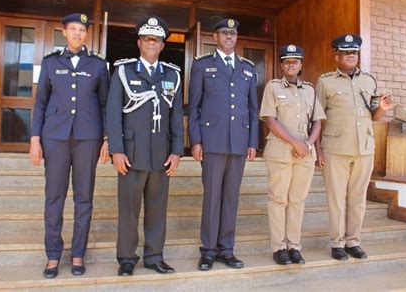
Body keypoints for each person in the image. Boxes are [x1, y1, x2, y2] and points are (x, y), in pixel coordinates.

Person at [30, 13, 110, 278]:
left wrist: (107, 140)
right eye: (73, 29)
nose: (78, 33)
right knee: (54, 196)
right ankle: (53, 255)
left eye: (82, 30)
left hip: (88, 137)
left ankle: (78, 254)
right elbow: (40, 102)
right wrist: (35, 139)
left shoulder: (98, 65)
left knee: (84, 197)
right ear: (63, 32)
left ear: (87, 34)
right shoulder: (51, 62)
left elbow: (105, 104)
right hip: (55, 137)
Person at [106, 15, 183, 276]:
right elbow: (113, 113)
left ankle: (154, 256)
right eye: (148, 38)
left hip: (161, 155)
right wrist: (116, 149)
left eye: (157, 40)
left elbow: (175, 117)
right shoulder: (124, 71)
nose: (152, 43)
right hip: (131, 153)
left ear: (162, 45)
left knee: (157, 209)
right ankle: (127, 258)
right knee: (128, 210)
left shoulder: (172, 75)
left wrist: (176, 151)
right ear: (139, 42)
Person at [188, 18, 259, 271]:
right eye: (224, 33)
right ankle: (208, 250)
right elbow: (193, 106)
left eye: (233, 33)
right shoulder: (202, 65)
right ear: (215, 37)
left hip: (239, 142)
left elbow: (252, 110)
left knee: (231, 198)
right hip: (212, 141)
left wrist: (253, 142)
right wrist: (195, 140)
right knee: (212, 198)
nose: (229, 36)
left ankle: (226, 249)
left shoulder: (248, 68)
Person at [315, 34, 392, 261]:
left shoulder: (369, 80)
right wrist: (318, 150)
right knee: (336, 199)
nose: (351, 56)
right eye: (346, 52)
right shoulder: (325, 81)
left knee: (358, 198)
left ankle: (353, 242)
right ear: (336, 55)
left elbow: (374, 116)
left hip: (364, 148)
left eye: (354, 52)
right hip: (335, 148)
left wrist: (384, 109)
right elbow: (317, 118)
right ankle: (337, 243)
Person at [260, 45, 326, 265]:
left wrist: (307, 144)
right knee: (279, 200)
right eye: (287, 61)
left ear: (301, 65)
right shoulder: (272, 87)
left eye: (295, 61)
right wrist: (296, 143)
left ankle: (294, 247)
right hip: (280, 150)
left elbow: (317, 121)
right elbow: (271, 120)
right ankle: (279, 248)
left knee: (297, 201)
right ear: (281, 65)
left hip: (305, 154)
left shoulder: (310, 89)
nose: (291, 64)